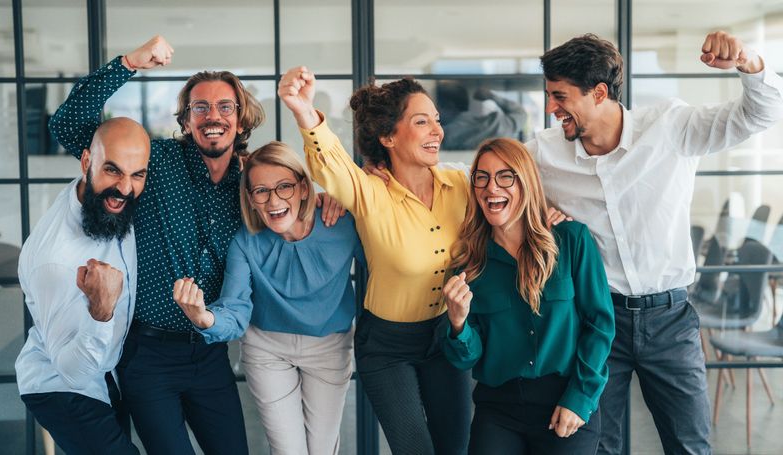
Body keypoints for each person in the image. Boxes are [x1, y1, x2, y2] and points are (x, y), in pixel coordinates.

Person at [48, 35, 343, 454]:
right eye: (199, 108)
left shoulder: (251, 181)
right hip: (146, 354)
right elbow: (68, 125)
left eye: (225, 107)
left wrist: (324, 197)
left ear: (241, 120)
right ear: (186, 120)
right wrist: (129, 63)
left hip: (210, 355)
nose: (212, 116)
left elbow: (291, 193)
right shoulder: (155, 161)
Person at [531, 31, 783, 454]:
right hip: (598, 322)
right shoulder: (543, 153)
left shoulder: (671, 126)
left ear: (598, 93)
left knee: (689, 445)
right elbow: (486, 179)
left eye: (559, 96)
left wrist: (749, 60)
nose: (550, 108)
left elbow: (760, 114)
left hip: (670, 320)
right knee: (597, 447)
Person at [278, 68, 474, 454]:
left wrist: (551, 212)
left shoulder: (463, 185)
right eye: (422, 121)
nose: (437, 130)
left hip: (446, 336)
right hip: (387, 346)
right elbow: (331, 166)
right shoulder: (370, 192)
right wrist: (304, 110)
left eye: (437, 119)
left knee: (456, 448)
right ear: (388, 137)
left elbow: (514, 187)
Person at [171, 141, 364, 455]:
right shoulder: (245, 241)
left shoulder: (342, 224)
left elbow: (384, 265)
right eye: (261, 191)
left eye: (284, 187)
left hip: (329, 348)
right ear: (251, 198)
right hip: (267, 349)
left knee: (322, 450)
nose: (274, 200)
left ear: (304, 188)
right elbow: (235, 307)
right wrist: (204, 318)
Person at [441, 137, 614, 455]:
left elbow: (600, 325)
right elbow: (466, 357)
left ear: (527, 183)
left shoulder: (571, 240)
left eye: (505, 176)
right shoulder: (468, 265)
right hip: (499, 410)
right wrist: (458, 323)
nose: (492, 188)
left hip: (565, 401)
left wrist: (580, 398)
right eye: (483, 177)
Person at [16, 118, 151, 455]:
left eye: (138, 175)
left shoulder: (97, 198)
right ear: (87, 162)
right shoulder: (55, 261)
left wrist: (131, 64)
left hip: (105, 375)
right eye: (113, 171)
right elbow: (73, 372)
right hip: (62, 386)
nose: (124, 188)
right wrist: (101, 311)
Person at [437, 82, 528, 150]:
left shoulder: (444, 134)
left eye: (438, 106)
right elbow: (520, 114)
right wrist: (490, 96)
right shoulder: (495, 125)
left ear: (449, 105)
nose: (435, 110)